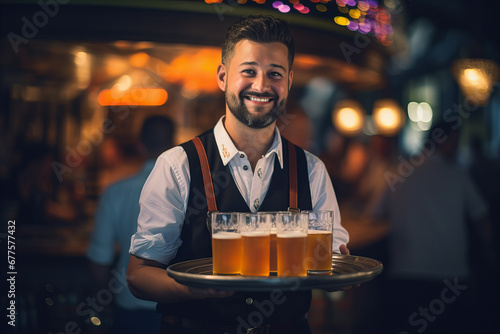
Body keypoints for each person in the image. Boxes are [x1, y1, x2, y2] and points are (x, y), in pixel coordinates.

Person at [127, 15, 350, 334]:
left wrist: (338, 269)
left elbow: (331, 268)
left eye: (274, 73)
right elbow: (139, 276)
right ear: (222, 76)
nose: (261, 86)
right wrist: (193, 289)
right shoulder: (178, 164)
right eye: (249, 71)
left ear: (288, 80)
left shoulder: (311, 168)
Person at [375, 118, 492, 334]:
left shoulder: (397, 173)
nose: (457, 147)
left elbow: (376, 215)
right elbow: (482, 220)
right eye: (455, 141)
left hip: (404, 270)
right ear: (445, 141)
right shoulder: (458, 175)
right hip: (450, 275)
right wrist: (491, 257)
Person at [87, 115, 175, 334]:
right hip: (176, 308)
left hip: (129, 304)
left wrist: (108, 302)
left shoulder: (115, 193)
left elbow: (99, 262)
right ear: (175, 148)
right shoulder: (190, 191)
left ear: (139, 146)